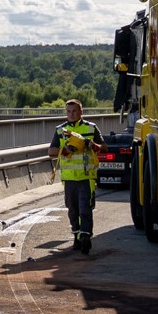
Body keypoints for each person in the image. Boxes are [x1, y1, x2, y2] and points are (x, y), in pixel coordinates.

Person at [53, 99, 99, 254]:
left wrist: (91, 145)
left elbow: (103, 147)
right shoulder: (61, 130)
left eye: (74, 111)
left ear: (81, 112)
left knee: (85, 208)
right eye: (68, 111)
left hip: (87, 177)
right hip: (69, 178)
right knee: (72, 209)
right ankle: (77, 236)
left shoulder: (91, 128)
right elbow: (51, 151)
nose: (71, 114)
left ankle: (85, 237)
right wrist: (64, 150)